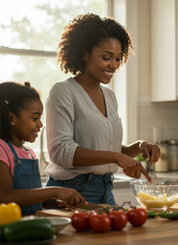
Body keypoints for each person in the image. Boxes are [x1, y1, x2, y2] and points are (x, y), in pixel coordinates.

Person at [45, 13, 161, 205]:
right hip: (72, 191)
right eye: (106, 57)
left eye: (117, 58)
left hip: (106, 191)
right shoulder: (63, 91)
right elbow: (60, 152)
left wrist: (139, 146)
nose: (114, 65)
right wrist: (116, 157)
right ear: (84, 53)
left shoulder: (109, 96)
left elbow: (107, 149)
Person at [0, 81, 86, 215]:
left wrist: (56, 202)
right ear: (11, 119)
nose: (40, 124)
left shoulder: (30, 153)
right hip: (5, 226)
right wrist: (54, 191)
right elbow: (6, 197)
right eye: (34, 118)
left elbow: (31, 198)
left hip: (30, 225)